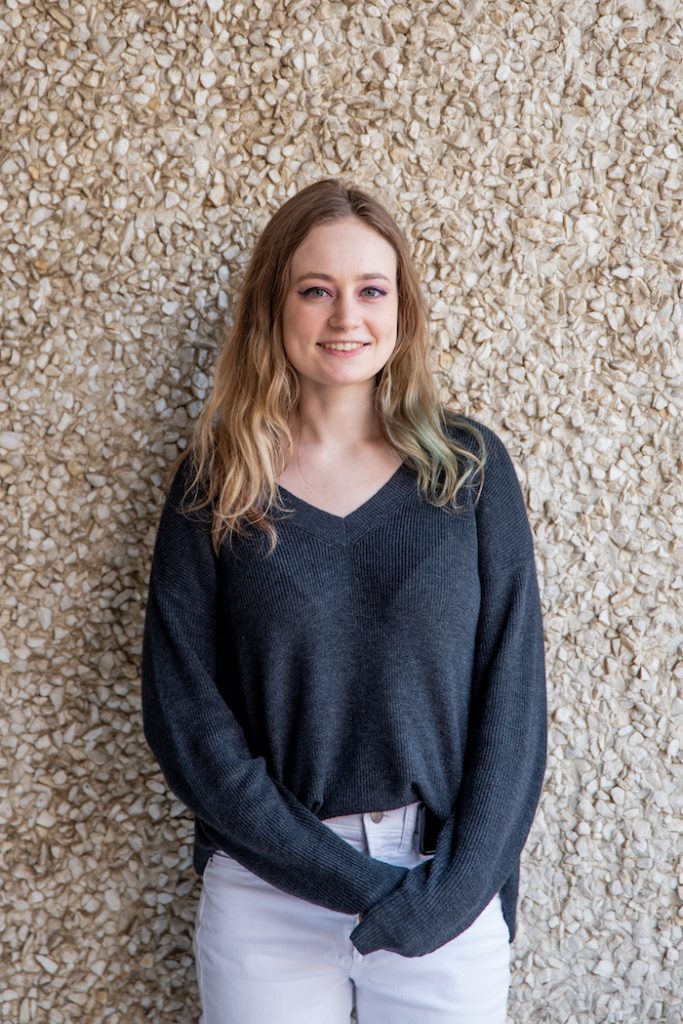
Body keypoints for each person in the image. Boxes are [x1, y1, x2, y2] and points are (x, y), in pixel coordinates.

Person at [140, 177, 547, 1024]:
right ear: (273, 306)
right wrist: (344, 880)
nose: (344, 318)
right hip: (265, 889)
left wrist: (454, 891)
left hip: (441, 882)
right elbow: (184, 717)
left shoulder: (467, 473)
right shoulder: (216, 485)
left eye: (370, 290)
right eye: (315, 290)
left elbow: (514, 699)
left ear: (401, 309)